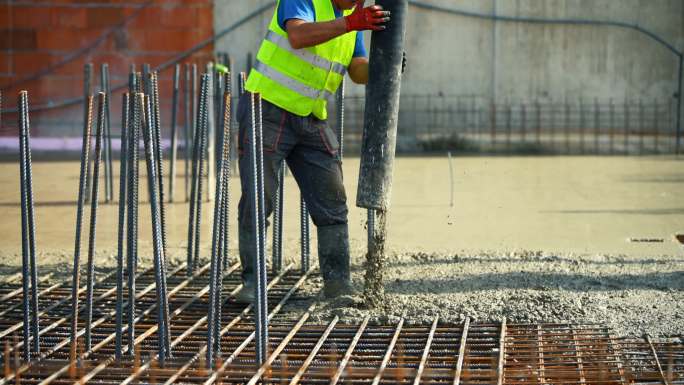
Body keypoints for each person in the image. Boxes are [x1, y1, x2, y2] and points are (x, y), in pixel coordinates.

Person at [234, 0, 391, 303]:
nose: (358, 2)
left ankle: (338, 285)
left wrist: (383, 67)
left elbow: (357, 70)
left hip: (309, 117)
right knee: (257, 199)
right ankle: (252, 285)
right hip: (267, 109)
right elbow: (298, 36)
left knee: (332, 200)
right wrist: (352, 22)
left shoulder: (351, 16)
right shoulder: (304, 2)